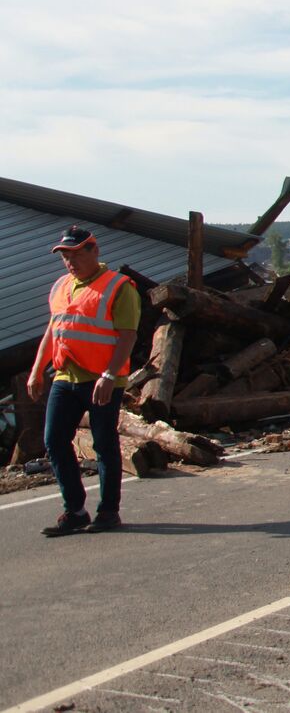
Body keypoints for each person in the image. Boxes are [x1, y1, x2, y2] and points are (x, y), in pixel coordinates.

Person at [27, 226, 139, 536]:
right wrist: (38, 369)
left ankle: (108, 511)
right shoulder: (61, 286)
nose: (70, 261)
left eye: (76, 254)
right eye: (65, 256)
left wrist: (109, 375)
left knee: (104, 444)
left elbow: (128, 336)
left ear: (94, 251)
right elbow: (53, 330)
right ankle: (75, 510)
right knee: (54, 440)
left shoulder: (118, 287)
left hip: (102, 380)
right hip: (66, 376)